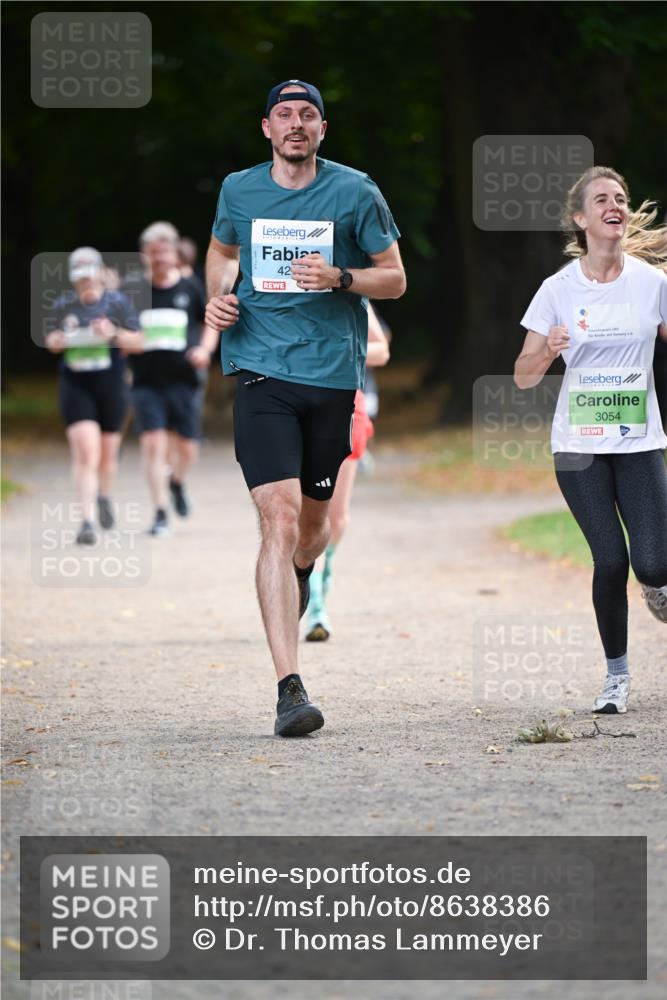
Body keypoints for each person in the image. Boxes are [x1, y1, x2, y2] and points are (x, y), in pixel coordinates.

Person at [205, 79, 406, 737]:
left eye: (308, 114)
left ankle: (298, 575)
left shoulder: (354, 191)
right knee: (279, 515)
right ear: (266, 127)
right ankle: (289, 689)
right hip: (261, 373)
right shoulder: (239, 188)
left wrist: (342, 278)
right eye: (285, 114)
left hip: (331, 378)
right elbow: (220, 249)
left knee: (313, 528)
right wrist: (218, 296)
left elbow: (395, 278)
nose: (296, 124)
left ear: (322, 128)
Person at [515, 166, 667, 715]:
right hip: (579, 446)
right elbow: (523, 374)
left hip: (639, 440)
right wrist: (548, 349)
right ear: (581, 219)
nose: (615, 206)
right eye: (602, 199)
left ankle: (657, 586)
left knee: (653, 564)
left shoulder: (652, 284)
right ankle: (617, 678)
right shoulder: (557, 290)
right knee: (610, 560)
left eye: (621, 198)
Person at [125, 222, 219, 537]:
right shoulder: (134, 291)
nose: (160, 258)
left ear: (174, 254)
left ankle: (177, 482)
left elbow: (212, 322)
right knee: (153, 443)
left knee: (188, 448)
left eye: (165, 252)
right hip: (146, 382)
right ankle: (160, 512)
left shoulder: (190, 287)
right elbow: (118, 330)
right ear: (145, 255)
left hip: (183, 380)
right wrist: (126, 339)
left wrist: (204, 350)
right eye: (154, 253)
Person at [305, 303, 390, 641]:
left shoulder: (354, 298)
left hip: (346, 406)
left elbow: (381, 351)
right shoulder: (281, 292)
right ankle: (315, 607)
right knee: (306, 514)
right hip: (295, 406)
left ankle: (324, 569)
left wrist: (342, 349)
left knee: (336, 519)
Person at [45, 248, 141, 545]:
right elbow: (50, 341)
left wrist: (112, 333)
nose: (85, 282)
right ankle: (86, 521)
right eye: (79, 278)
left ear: (99, 273)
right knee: (86, 452)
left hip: (110, 383)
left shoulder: (118, 303)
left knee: (107, 454)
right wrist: (58, 341)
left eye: (89, 276)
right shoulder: (63, 305)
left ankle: (103, 495)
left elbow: (139, 342)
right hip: (76, 383)